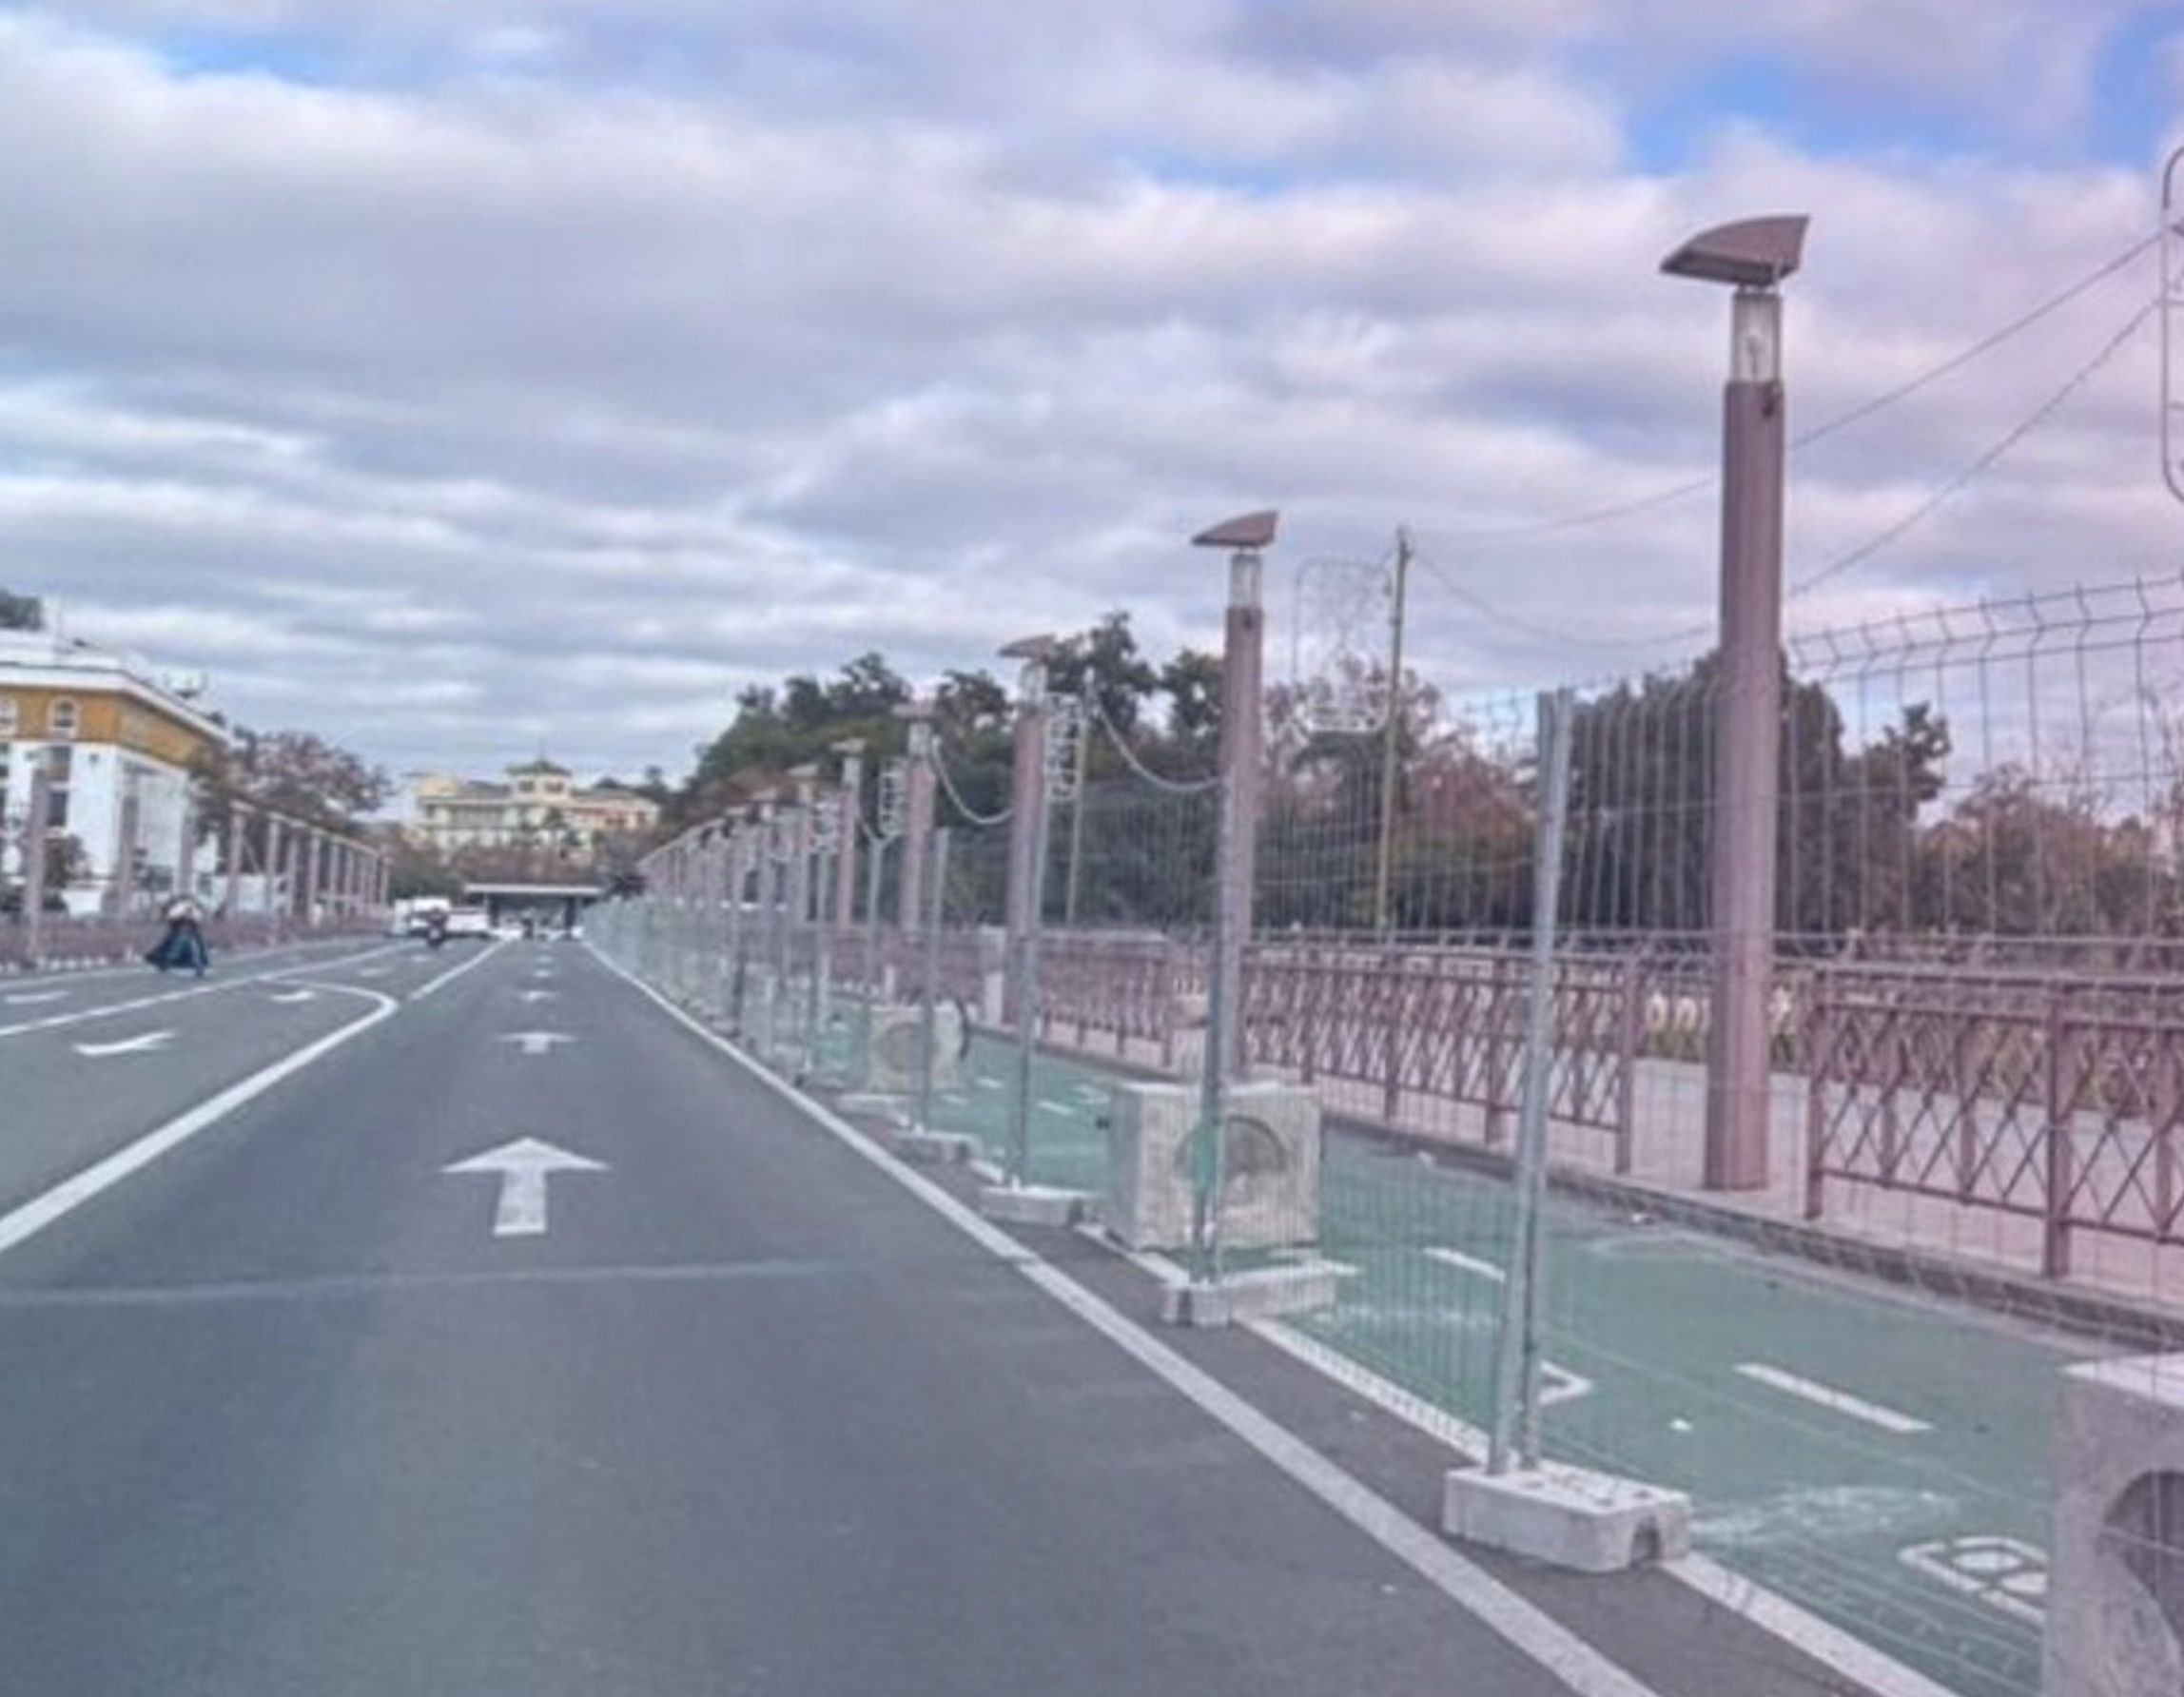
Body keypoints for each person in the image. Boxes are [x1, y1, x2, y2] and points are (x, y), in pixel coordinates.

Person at [147, 894, 210, 977]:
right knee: (175, 949)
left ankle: (198, 967)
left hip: (189, 933)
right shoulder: (178, 909)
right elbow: (171, 918)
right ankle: (165, 963)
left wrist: (189, 917)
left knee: (193, 949)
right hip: (180, 932)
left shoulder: (191, 910)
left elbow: (198, 919)